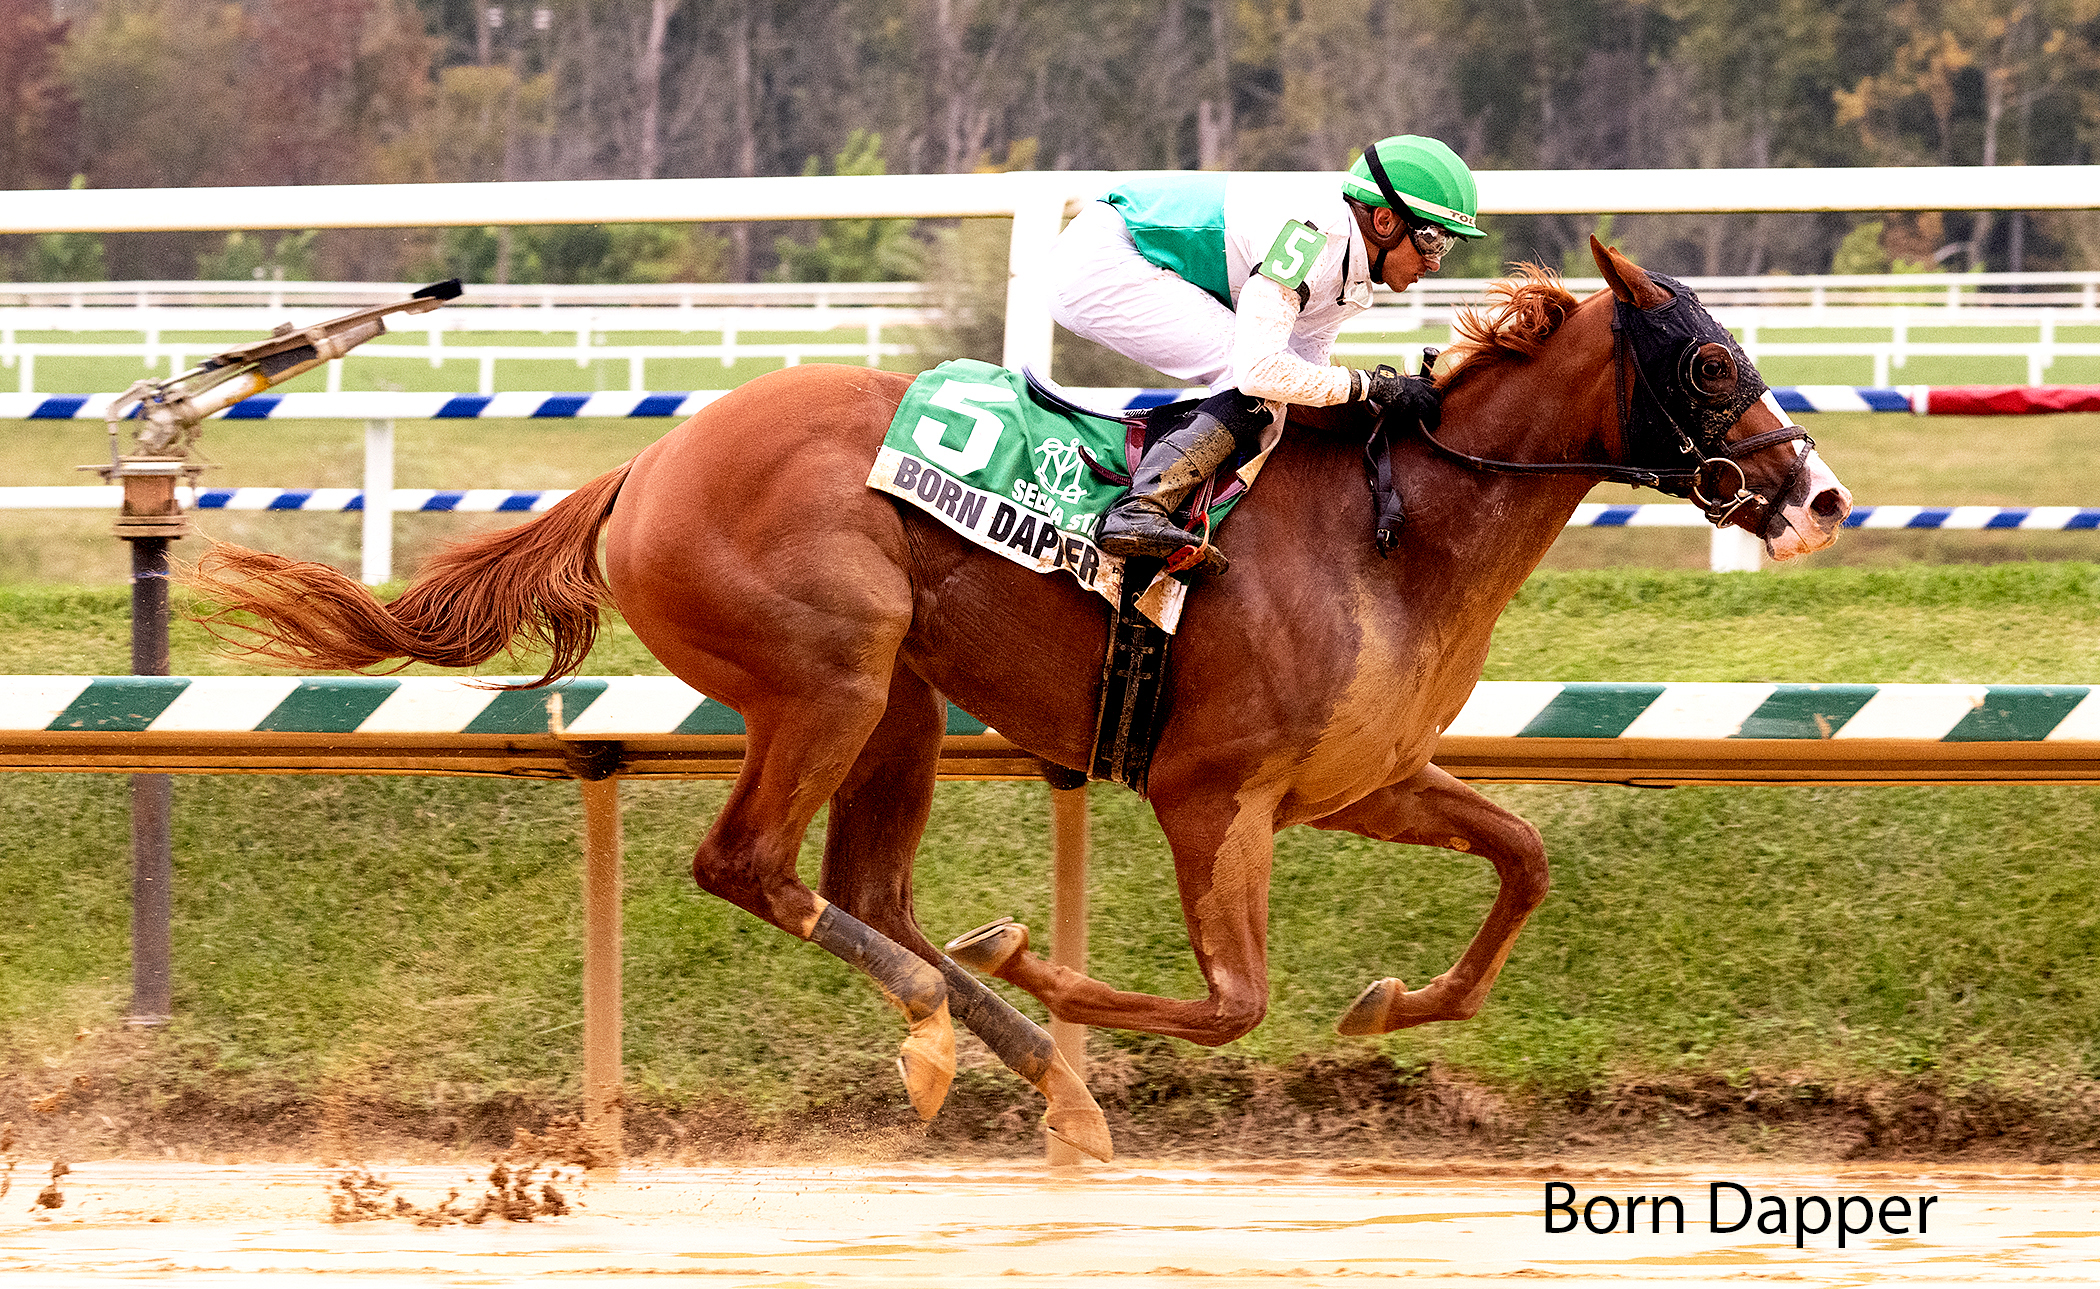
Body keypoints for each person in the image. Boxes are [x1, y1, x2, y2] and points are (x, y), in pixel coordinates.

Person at [1048, 134, 1487, 573]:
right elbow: (1262, 372)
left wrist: (1374, 399)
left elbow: (1305, 383)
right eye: (1435, 242)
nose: (1435, 263)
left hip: (1130, 251)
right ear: (1385, 221)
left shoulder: (1351, 278)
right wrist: (1371, 385)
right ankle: (1140, 508)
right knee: (1250, 378)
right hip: (1102, 258)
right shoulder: (1314, 237)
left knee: (1280, 398)